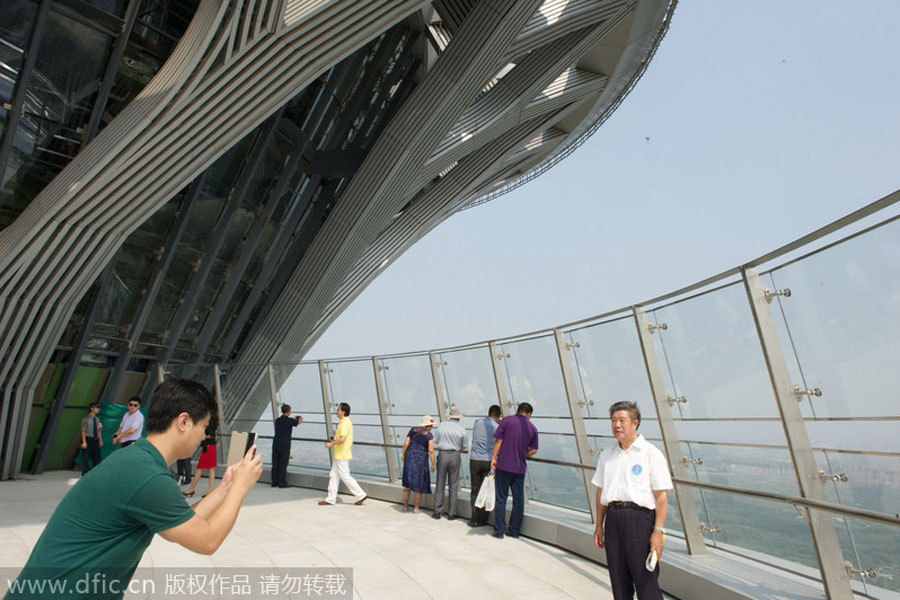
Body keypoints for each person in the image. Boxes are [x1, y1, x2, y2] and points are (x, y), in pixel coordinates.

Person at [5, 378, 262, 600]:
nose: (204, 436)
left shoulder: (137, 460)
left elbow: (181, 526)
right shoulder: (147, 475)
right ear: (184, 421)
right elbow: (207, 540)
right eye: (204, 427)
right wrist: (240, 488)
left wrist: (226, 486)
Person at [592, 401, 671, 600]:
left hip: (640, 520)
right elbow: (601, 492)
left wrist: (658, 532)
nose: (616, 425)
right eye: (613, 420)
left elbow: (661, 497)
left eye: (622, 420)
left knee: (645, 579)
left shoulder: (650, 454)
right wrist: (599, 525)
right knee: (618, 580)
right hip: (613, 519)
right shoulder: (607, 454)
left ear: (635, 423)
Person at [490, 402, 538, 539]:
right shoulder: (532, 428)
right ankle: (514, 530)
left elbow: (498, 441)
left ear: (518, 410)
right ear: (529, 414)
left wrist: (493, 458)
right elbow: (534, 450)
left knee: (501, 498)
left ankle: (499, 531)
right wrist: (523, 454)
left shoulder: (506, 421)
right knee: (518, 500)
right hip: (519, 468)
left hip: (504, 465)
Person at [318, 402, 367, 506]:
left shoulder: (344, 423)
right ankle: (331, 498)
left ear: (343, 412)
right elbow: (340, 438)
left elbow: (343, 439)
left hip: (342, 454)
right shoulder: (344, 422)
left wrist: (331, 444)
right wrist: (334, 440)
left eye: (338, 409)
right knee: (333, 476)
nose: (337, 411)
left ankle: (361, 494)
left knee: (345, 476)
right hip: (339, 454)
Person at [468, 404, 501, 527]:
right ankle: (482, 520)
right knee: (487, 489)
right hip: (489, 462)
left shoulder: (478, 422)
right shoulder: (497, 427)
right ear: (498, 415)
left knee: (475, 490)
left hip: (475, 460)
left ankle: (473, 518)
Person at [432, 405, 466, 520]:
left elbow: (436, 441)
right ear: (458, 417)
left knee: (440, 482)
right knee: (453, 484)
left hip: (443, 454)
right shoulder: (461, 429)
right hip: (455, 455)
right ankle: (452, 513)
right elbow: (464, 445)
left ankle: (437, 511)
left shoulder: (441, 425)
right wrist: (456, 448)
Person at [400, 415, 435, 513]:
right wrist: (433, 464)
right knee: (418, 485)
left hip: (409, 457)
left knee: (407, 484)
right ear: (429, 425)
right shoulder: (429, 435)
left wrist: (403, 454)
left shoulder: (413, 430)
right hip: (421, 459)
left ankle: (405, 506)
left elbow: (406, 444)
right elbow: (431, 451)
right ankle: (416, 508)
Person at [272, 403, 303, 488]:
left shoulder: (277, 420)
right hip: (284, 445)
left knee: (275, 463)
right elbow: (299, 421)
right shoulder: (289, 421)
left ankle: (274, 482)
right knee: (283, 464)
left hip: (276, 443)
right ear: (289, 411)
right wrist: (298, 418)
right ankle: (282, 483)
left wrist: (292, 419)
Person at [183, 425, 217, 498]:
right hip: (209, 447)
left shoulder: (210, 421)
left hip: (208, 447)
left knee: (200, 468)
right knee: (210, 468)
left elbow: (210, 435)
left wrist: (200, 436)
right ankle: (209, 490)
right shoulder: (212, 421)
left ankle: (192, 489)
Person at [79, 402, 103, 474]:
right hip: (88, 439)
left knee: (97, 458)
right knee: (86, 457)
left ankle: (96, 473)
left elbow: (98, 430)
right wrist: (84, 442)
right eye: (96, 407)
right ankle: (85, 472)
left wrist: (100, 440)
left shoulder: (97, 419)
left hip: (96, 440)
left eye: (99, 407)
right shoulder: (86, 418)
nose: (98, 409)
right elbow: (83, 431)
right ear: (92, 408)